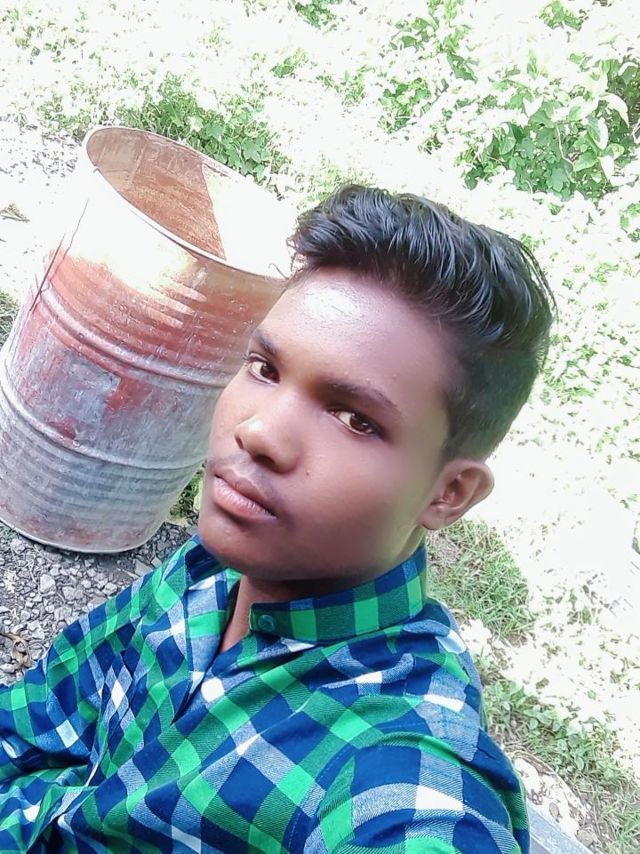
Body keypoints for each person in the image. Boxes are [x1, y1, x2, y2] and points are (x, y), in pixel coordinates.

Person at [0, 185, 556, 853]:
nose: (259, 431)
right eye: (265, 368)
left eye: (354, 419)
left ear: (449, 492)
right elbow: (39, 716)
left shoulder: (392, 761)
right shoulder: (206, 571)